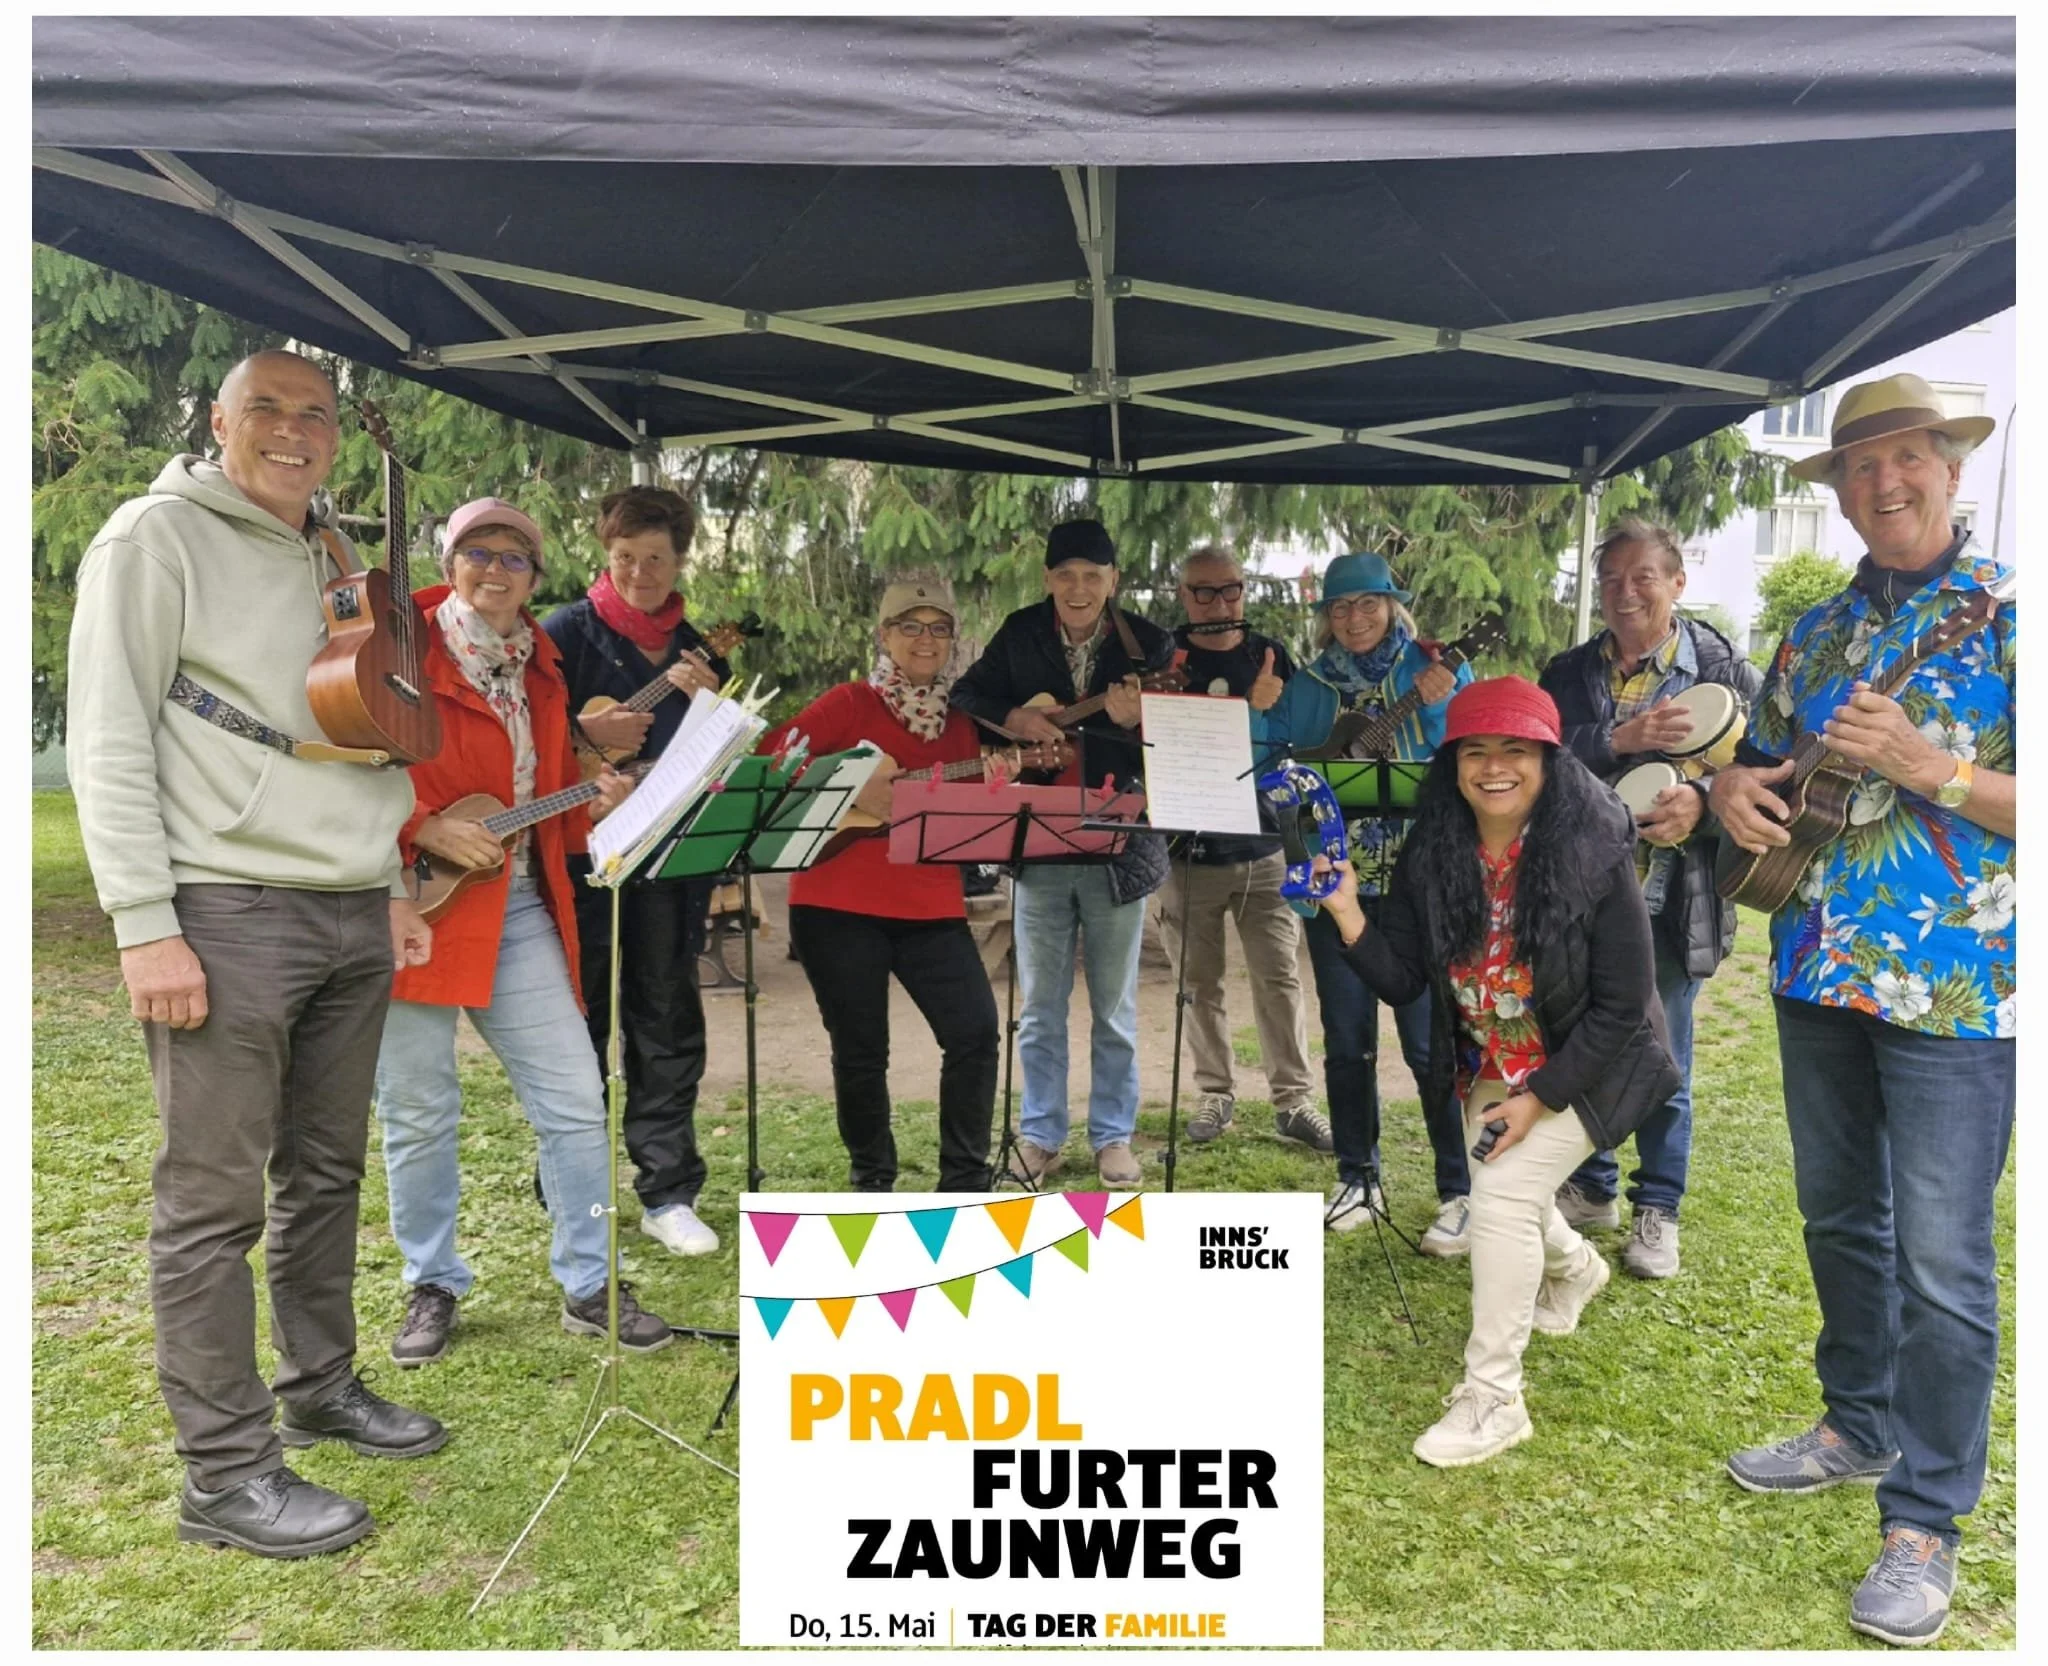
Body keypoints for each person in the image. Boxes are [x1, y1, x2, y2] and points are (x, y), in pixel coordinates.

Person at [66, 349, 443, 1559]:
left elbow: (366, 730)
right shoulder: (153, 537)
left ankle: (321, 1386)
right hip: (225, 905)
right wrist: (144, 922)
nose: (293, 432)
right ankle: (223, 1475)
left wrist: (387, 876)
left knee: (326, 1173)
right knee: (211, 1199)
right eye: (266, 410)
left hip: (346, 904)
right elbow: (111, 734)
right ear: (219, 420)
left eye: (314, 416)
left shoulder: (334, 549)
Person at [1711, 375, 2015, 1648]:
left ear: (1948, 469)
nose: (1881, 481)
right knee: (1839, 1214)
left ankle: (1924, 1521)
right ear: (1832, 491)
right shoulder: (1814, 634)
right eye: (1857, 466)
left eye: (1905, 457)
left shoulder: (2008, 613)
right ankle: (1853, 1420)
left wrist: (1932, 766)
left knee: (1941, 1259)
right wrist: (1728, 788)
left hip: (1951, 985)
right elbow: (1769, 765)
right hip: (1811, 963)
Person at [1311, 677, 1678, 1467]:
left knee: (1504, 1192)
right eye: (1475, 751)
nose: (1494, 767)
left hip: (1592, 1063)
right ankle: (1575, 1269)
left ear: (1548, 759)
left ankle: (1494, 1398)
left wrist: (1541, 1098)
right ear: (1452, 767)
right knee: (1500, 1186)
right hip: (1492, 1056)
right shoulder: (1437, 849)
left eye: (1515, 750)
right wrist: (1347, 910)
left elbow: (1623, 1007)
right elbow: (1406, 978)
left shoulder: (1596, 846)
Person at [372, 499, 674, 1366]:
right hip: (415, 905)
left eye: (515, 557)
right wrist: (421, 826)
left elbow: (540, 805)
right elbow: (347, 763)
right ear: (449, 559)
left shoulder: (541, 662)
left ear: (536, 577)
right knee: (419, 1110)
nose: (495, 569)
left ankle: (589, 1282)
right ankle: (431, 1281)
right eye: (477, 551)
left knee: (577, 1099)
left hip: (517, 906)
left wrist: (596, 796)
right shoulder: (400, 650)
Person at [1538, 518, 1762, 1278]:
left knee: (1665, 1056)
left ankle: (1657, 1210)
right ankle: (1592, 1187)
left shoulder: (1724, 670)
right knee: (1579, 1042)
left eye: (1643, 577)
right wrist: (1618, 741)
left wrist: (1700, 798)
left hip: (1674, 895)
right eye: (1610, 579)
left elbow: (1766, 771)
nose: (1625, 592)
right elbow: (1535, 762)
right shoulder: (1566, 673)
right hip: (1582, 890)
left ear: (1677, 583)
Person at [1250, 551, 1473, 1248]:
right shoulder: (1309, 684)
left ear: (1393, 607)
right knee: (1347, 1044)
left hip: (1419, 884)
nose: (1355, 619)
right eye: (1341, 608)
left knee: (1429, 1044)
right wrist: (1261, 722)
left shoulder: (1437, 669)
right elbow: (1265, 766)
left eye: (1369, 605)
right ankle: (1357, 1175)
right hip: (1332, 883)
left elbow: (1474, 756)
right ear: (1326, 618)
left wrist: (1438, 709)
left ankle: (1459, 1189)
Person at [950, 518, 1175, 1187]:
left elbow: (1181, 739)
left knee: (1114, 1006)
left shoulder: (1150, 644)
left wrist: (1142, 722)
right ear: (1048, 580)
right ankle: (1041, 1132)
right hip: (1038, 843)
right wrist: (1017, 720)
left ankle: (1112, 1136)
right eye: (1066, 576)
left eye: (1093, 576)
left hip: (1119, 846)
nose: (1079, 589)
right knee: (1041, 1005)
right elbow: (968, 694)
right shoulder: (1021, 632)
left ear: (1114, 581)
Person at [761, 574, 1002, 1191]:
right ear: (885, 636)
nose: (926, 640)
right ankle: (872, 1179)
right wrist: (850, 781)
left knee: (975, 1033)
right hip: (836, 903)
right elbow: (772, 758)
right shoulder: (849, 703)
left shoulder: (961, 726)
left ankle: (965, 1179)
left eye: (939, 628)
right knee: (863, 1052)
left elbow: (969, 817)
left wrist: (996, 783)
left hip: (930, 904)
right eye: (911, 627)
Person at [543, 485, 729, 1257]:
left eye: (655, 559)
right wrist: (586, 737)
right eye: (624, 558)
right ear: (604, 554)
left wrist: (716, 707)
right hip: (579, 852)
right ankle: (573, 1192)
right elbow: (526, 731)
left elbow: (720, 749)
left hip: (668, 854)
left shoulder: (698, 649)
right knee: (576, 1024)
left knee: (664, 1016)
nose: (639, 573)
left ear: (680, 560)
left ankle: (667, 1190)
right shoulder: (562, 634)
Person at [1152, 546, 1321, 1151]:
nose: (1219, 604)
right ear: (1183, 595)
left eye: (1231, 590)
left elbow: (1298, 746)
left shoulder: (1271, 655)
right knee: (1197, 982)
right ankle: (1215, 1091)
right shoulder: (1161, 658)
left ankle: (1294, 1100)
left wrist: (1270, 715)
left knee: (1279, 979)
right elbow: (1163, 745)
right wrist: (1244, 712)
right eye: (1204, 592)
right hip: (1186, 851)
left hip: (1265, 846)